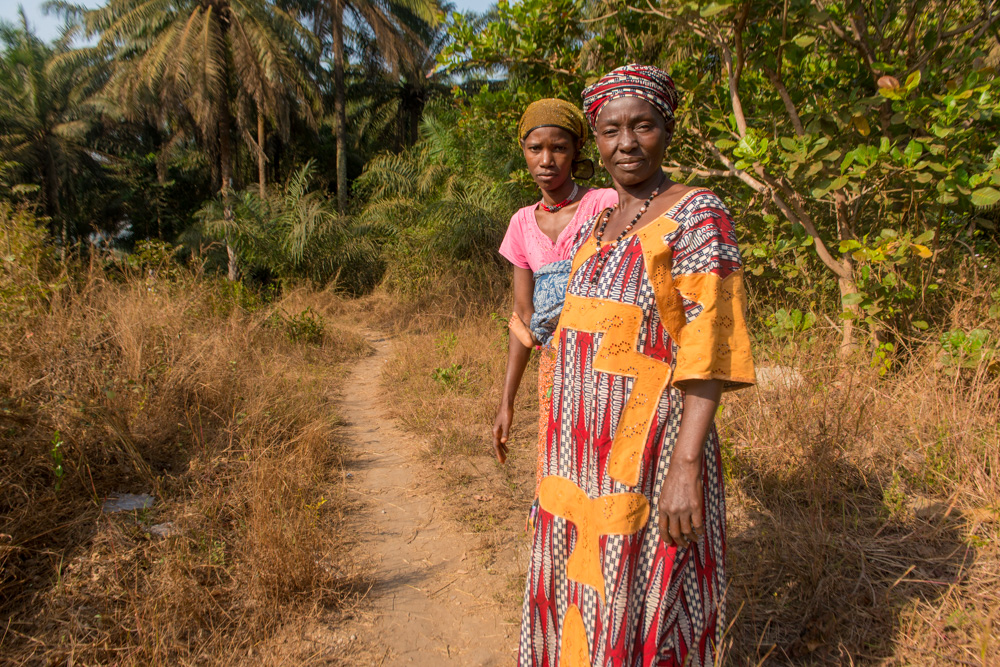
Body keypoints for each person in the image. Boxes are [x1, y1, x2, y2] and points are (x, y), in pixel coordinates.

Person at [517, 65, 755, 667]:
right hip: (576, 466)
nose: (627, 143)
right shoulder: (597, 225)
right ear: (595, 141)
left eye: (643, 125)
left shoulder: (698, 214)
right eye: (610, 130)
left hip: (650, 457)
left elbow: (709, 346)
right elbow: (566, 339)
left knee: (651, 602)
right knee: (581, 597)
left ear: (667, 129)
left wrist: (686, 466)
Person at [492, 99, 618, 497]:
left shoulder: (605, 205)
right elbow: (524, 314)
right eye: (535, 148)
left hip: (607, 363)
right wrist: (507, 402)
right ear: (524, 152)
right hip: (554, 370)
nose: (547, 159)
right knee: (562, 469)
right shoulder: (521, 223)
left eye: (559, 148)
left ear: (576, 151)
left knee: (609, 468)